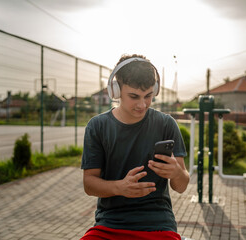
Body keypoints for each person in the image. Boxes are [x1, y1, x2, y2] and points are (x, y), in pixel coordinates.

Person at [80, 54, 190, 240]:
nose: (142, 104)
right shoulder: (97, 126)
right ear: (116, 90)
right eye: (134, 96)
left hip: (158, 224)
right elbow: (89, 184)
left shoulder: (166, 124)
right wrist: (120, 187)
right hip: (110, 223)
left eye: (148, 96)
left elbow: (181, 186)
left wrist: (176, 173)